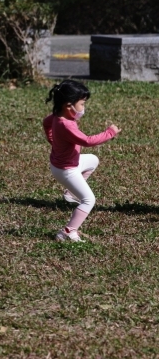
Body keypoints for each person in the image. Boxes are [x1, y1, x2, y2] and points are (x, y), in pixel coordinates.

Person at [43, 80, 120, 242]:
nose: (83, 108)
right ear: (68, 105)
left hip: (64, 164)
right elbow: (87, 141)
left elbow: (46, 122)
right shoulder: (66, 125)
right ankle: (68, 231)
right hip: (66, 170)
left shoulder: (57, 116)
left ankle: (70, 193)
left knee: (93, 160)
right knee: (89, 200)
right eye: (82, 104)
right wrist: (110, 133)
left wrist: (52, 140)